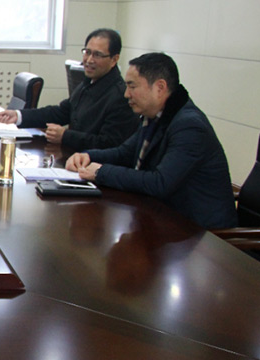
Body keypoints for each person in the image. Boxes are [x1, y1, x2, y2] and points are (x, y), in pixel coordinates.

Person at [66, 52, 237, 230]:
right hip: (166, 220)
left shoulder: (189, 126)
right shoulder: (156, 116)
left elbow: (160, 183)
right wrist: (87, 156)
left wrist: (101, 172)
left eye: (132, 86)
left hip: (202, 234)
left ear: (159, 88)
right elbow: (124, 153)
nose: (126, 94)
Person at [0, 28, 138, 150]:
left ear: (114, 59)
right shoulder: (88, 82)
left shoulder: (121, 96)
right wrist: (19, 115)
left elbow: (109, 144)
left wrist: (65, 136)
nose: (89, 60)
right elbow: (62, 112)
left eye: (97, 55)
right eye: (87, 52)